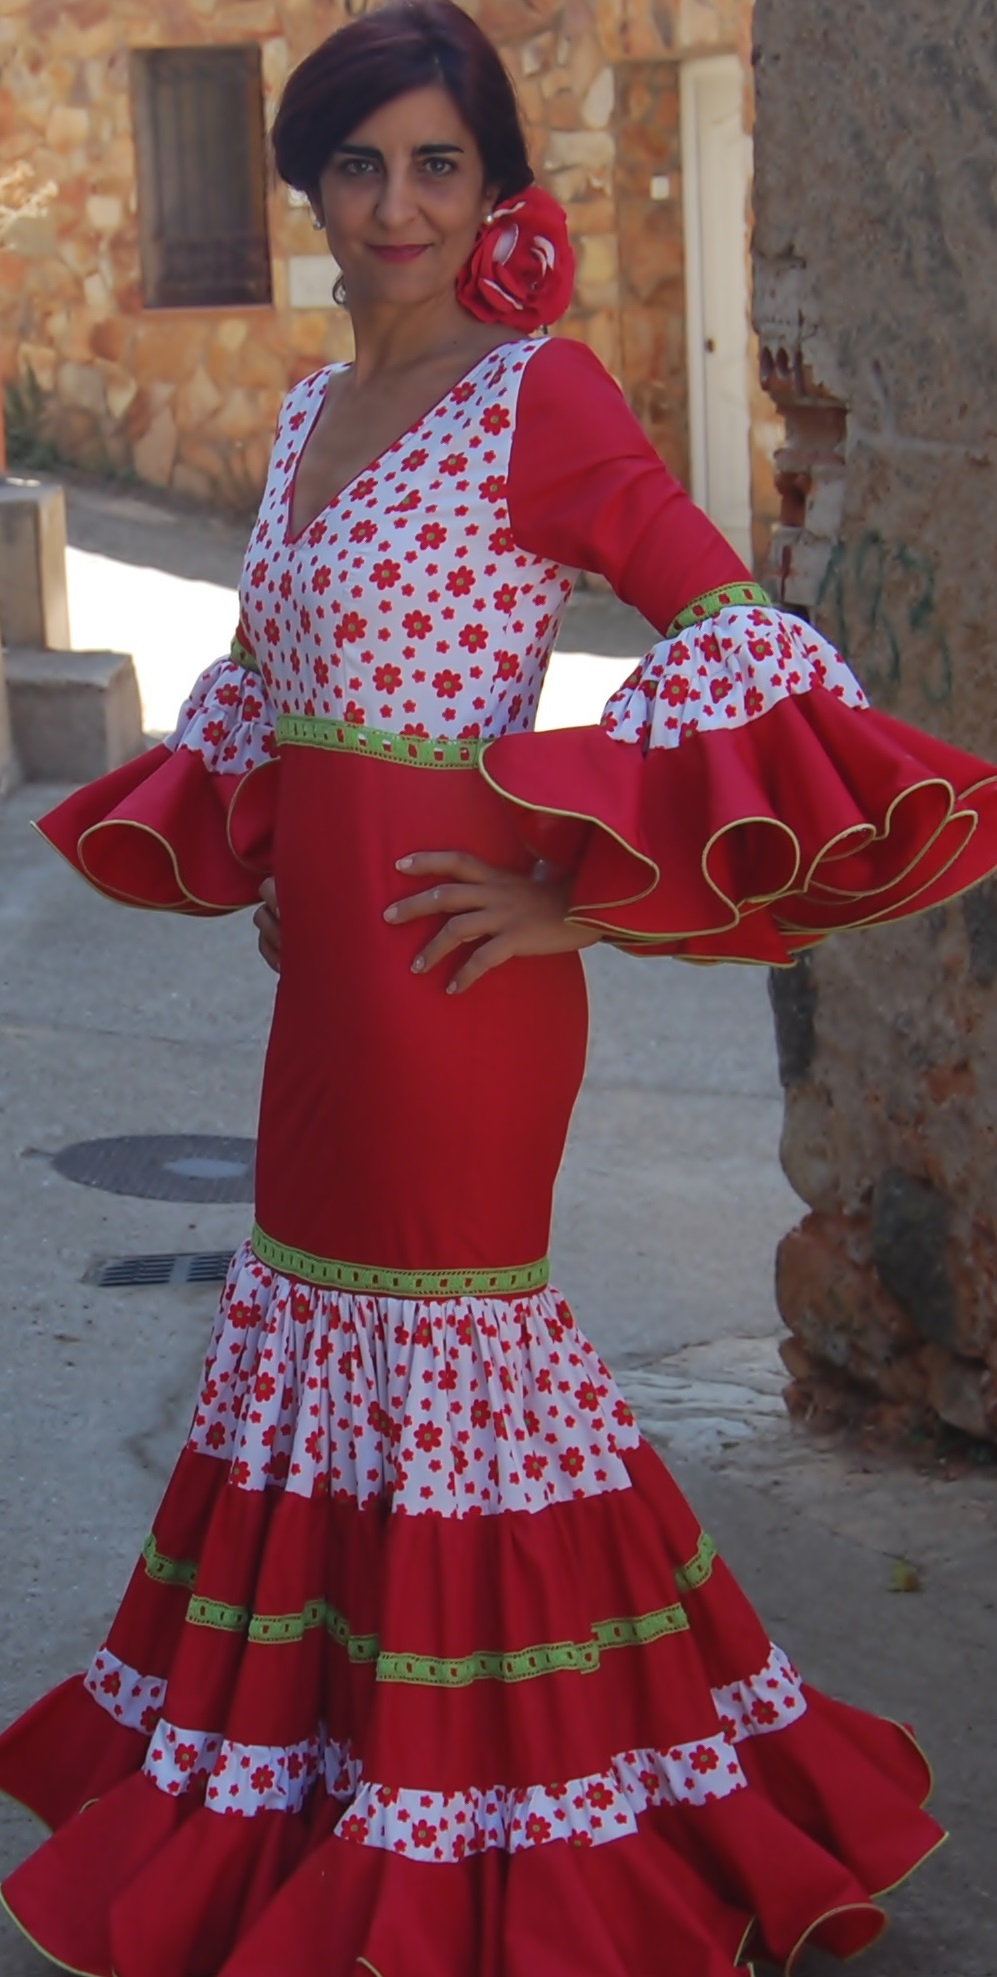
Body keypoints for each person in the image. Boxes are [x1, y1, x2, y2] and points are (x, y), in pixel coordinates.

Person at [2, 4, 994, 1972]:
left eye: (437, 161)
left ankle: (526, 1807)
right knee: (320, 1370)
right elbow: (292, 700)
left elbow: (726, 624)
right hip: (325, 1013)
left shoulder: (539, 394)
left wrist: (575, 898)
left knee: (460, 1379)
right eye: (360, 160)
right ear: (308, 181)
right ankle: (338, 1770)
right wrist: (283, 856)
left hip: (466, 1002)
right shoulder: (300, 415)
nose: (395, 201)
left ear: (494, 187)